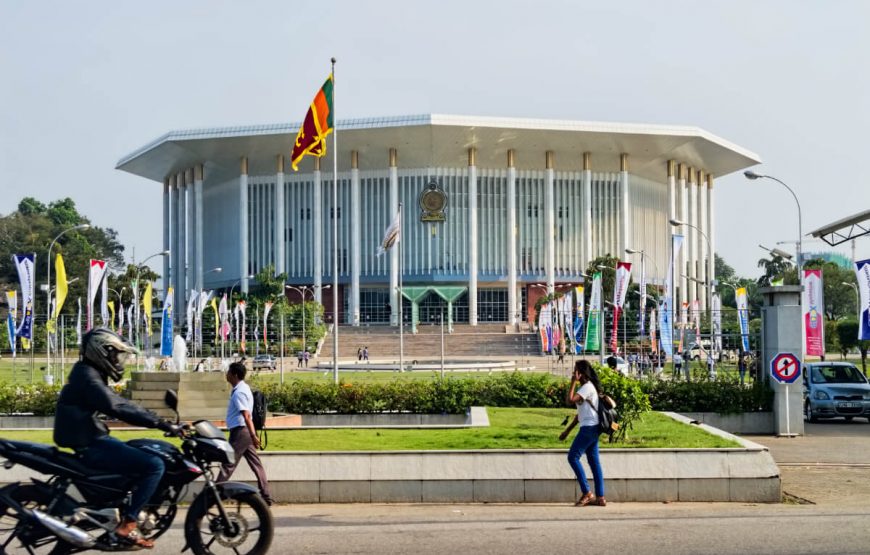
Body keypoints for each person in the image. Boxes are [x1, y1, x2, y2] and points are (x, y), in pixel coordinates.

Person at [54, 328, 179, 549]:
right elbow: (117, 406)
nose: (118, 360)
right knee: (154, 465)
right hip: (90, 442)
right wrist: (160, 422)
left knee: (140, 449)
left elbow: (119, 402)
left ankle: (121, 511)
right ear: (100, 352)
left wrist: (158, 421)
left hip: (90, 437)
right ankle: (128, 524)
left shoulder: (88, 373)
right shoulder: (88, 378)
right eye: (115, 355)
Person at [218, 361, 274, 506]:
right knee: (256, 464)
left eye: (228, 372)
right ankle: (266, 495)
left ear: (234, 375)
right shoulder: (242, 388)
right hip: (245, 431)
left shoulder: (239, 393)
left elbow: (247, 415)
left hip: (240, 432)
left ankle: (212, 494)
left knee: (228, 463)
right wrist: (252, 434)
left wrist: (253, 435)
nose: (226, 375)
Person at [559, 360, 606, 507]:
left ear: (582, 373)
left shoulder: (586, 388)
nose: (574, 373)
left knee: (573, 457)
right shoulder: (586, 388)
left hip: (589, 428)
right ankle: (600, 497)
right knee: (594, 462)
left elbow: (570, 400)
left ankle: (587, 493)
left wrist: (573, 382)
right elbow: (580, 415)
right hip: (591, 427)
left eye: (575, 370)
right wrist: (567, 430)